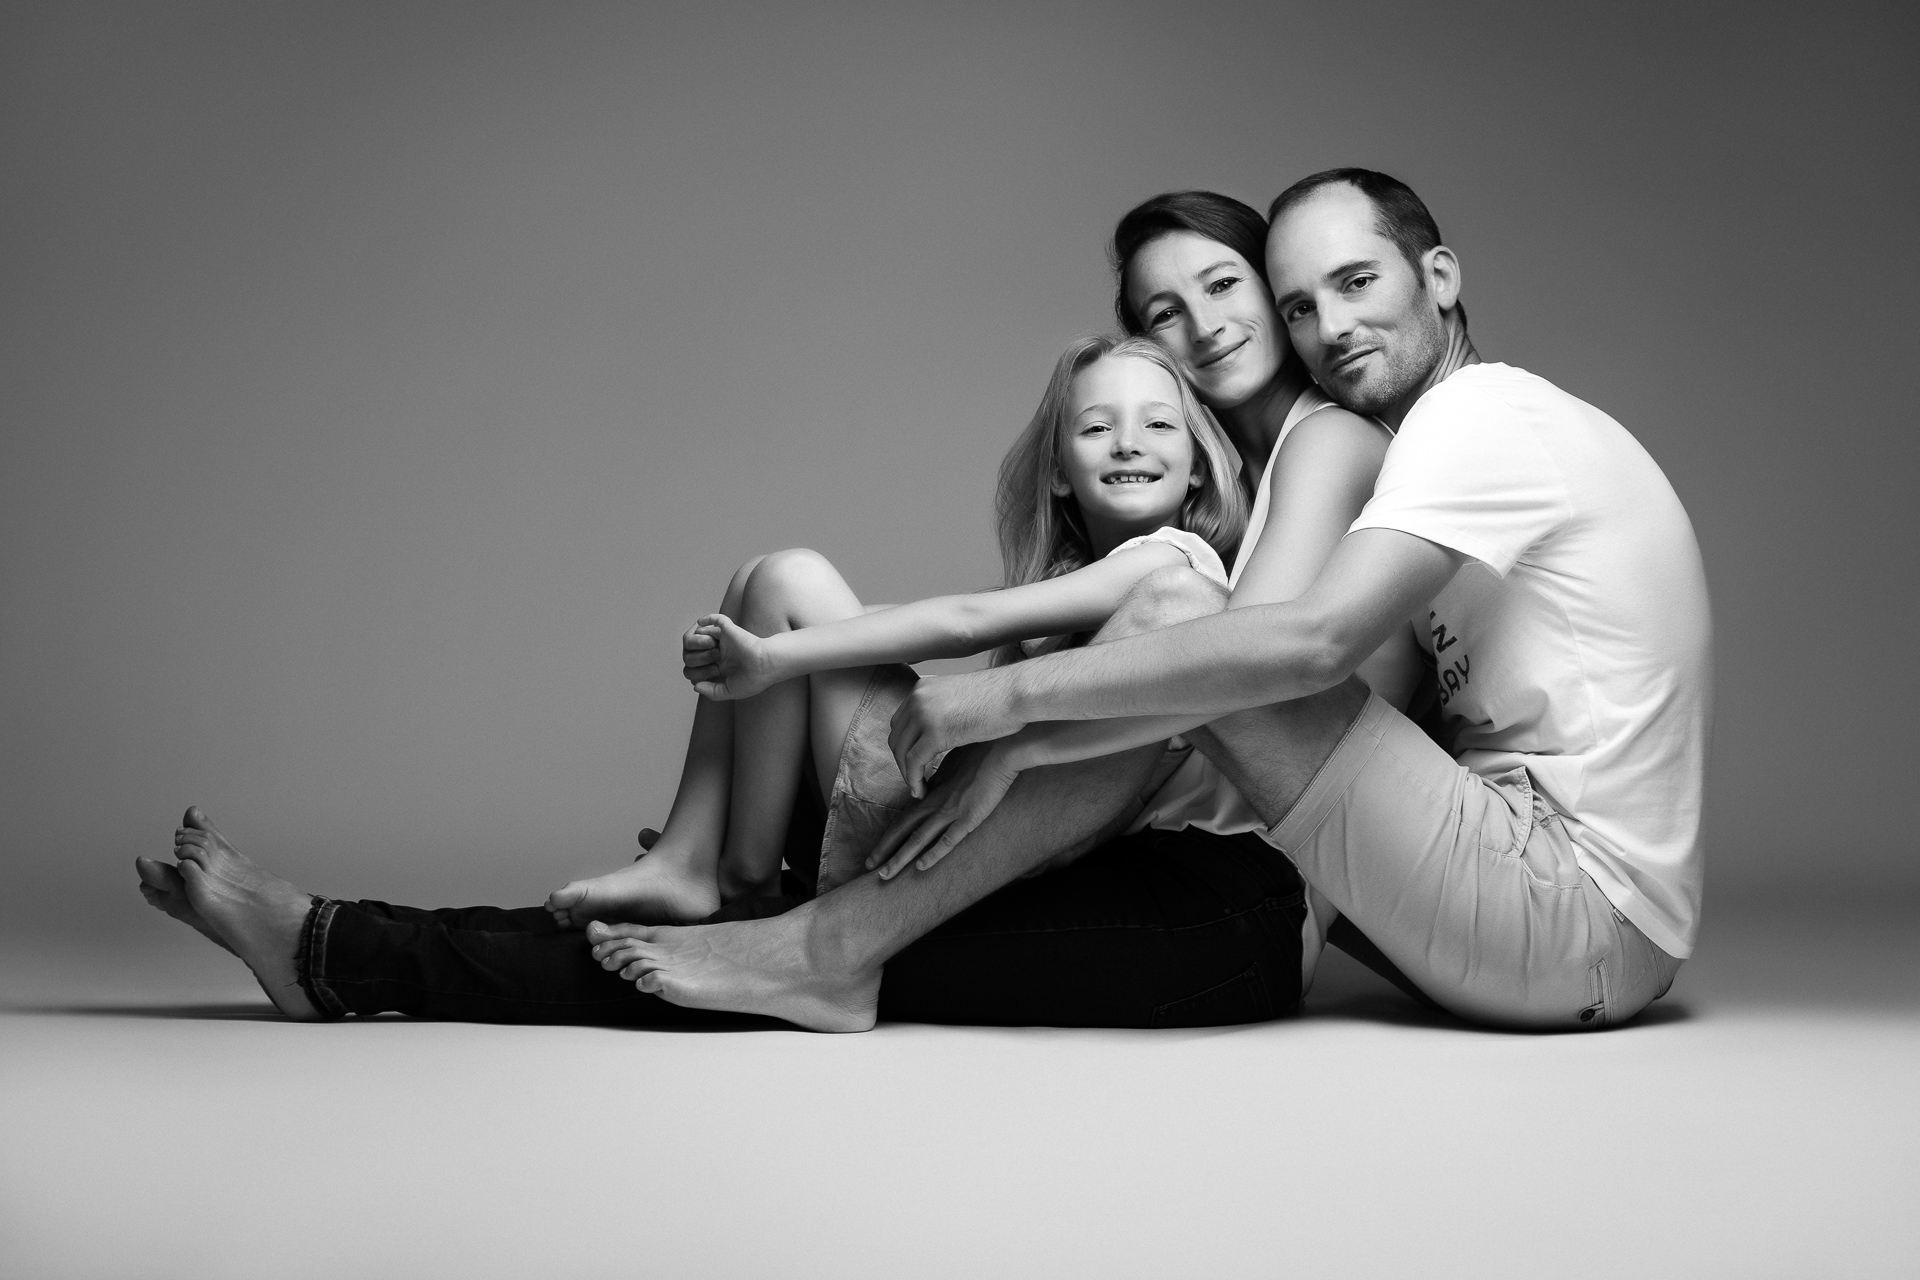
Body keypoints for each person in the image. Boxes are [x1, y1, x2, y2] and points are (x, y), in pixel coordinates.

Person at [590, 169, 1711, 1032]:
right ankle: (757, 893)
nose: (1331, 327)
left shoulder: (1471, 421)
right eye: (1303, 303)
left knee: (1196, 627)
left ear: (1442, 278)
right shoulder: (1399, 454)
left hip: (1573, 915)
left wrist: (1011, 716)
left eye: (1356, 285)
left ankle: (831, 946)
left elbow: (1298, 647)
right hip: (1550, 912)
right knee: (1185, 634)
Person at [135, 313, 1351, 1027]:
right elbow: (964, 628)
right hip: (996, 844)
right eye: (1098, 427)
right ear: (1057, 471)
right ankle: (700, 881)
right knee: (758, 904)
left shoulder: (1186, 571)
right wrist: (824, 662)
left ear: (1201, 469)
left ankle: (332, 949)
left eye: (1156, 424)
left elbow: (984, 631)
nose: (1129, 442)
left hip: (1181, 900)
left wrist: (893, 690)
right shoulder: (1110, 583)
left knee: (781, 940)